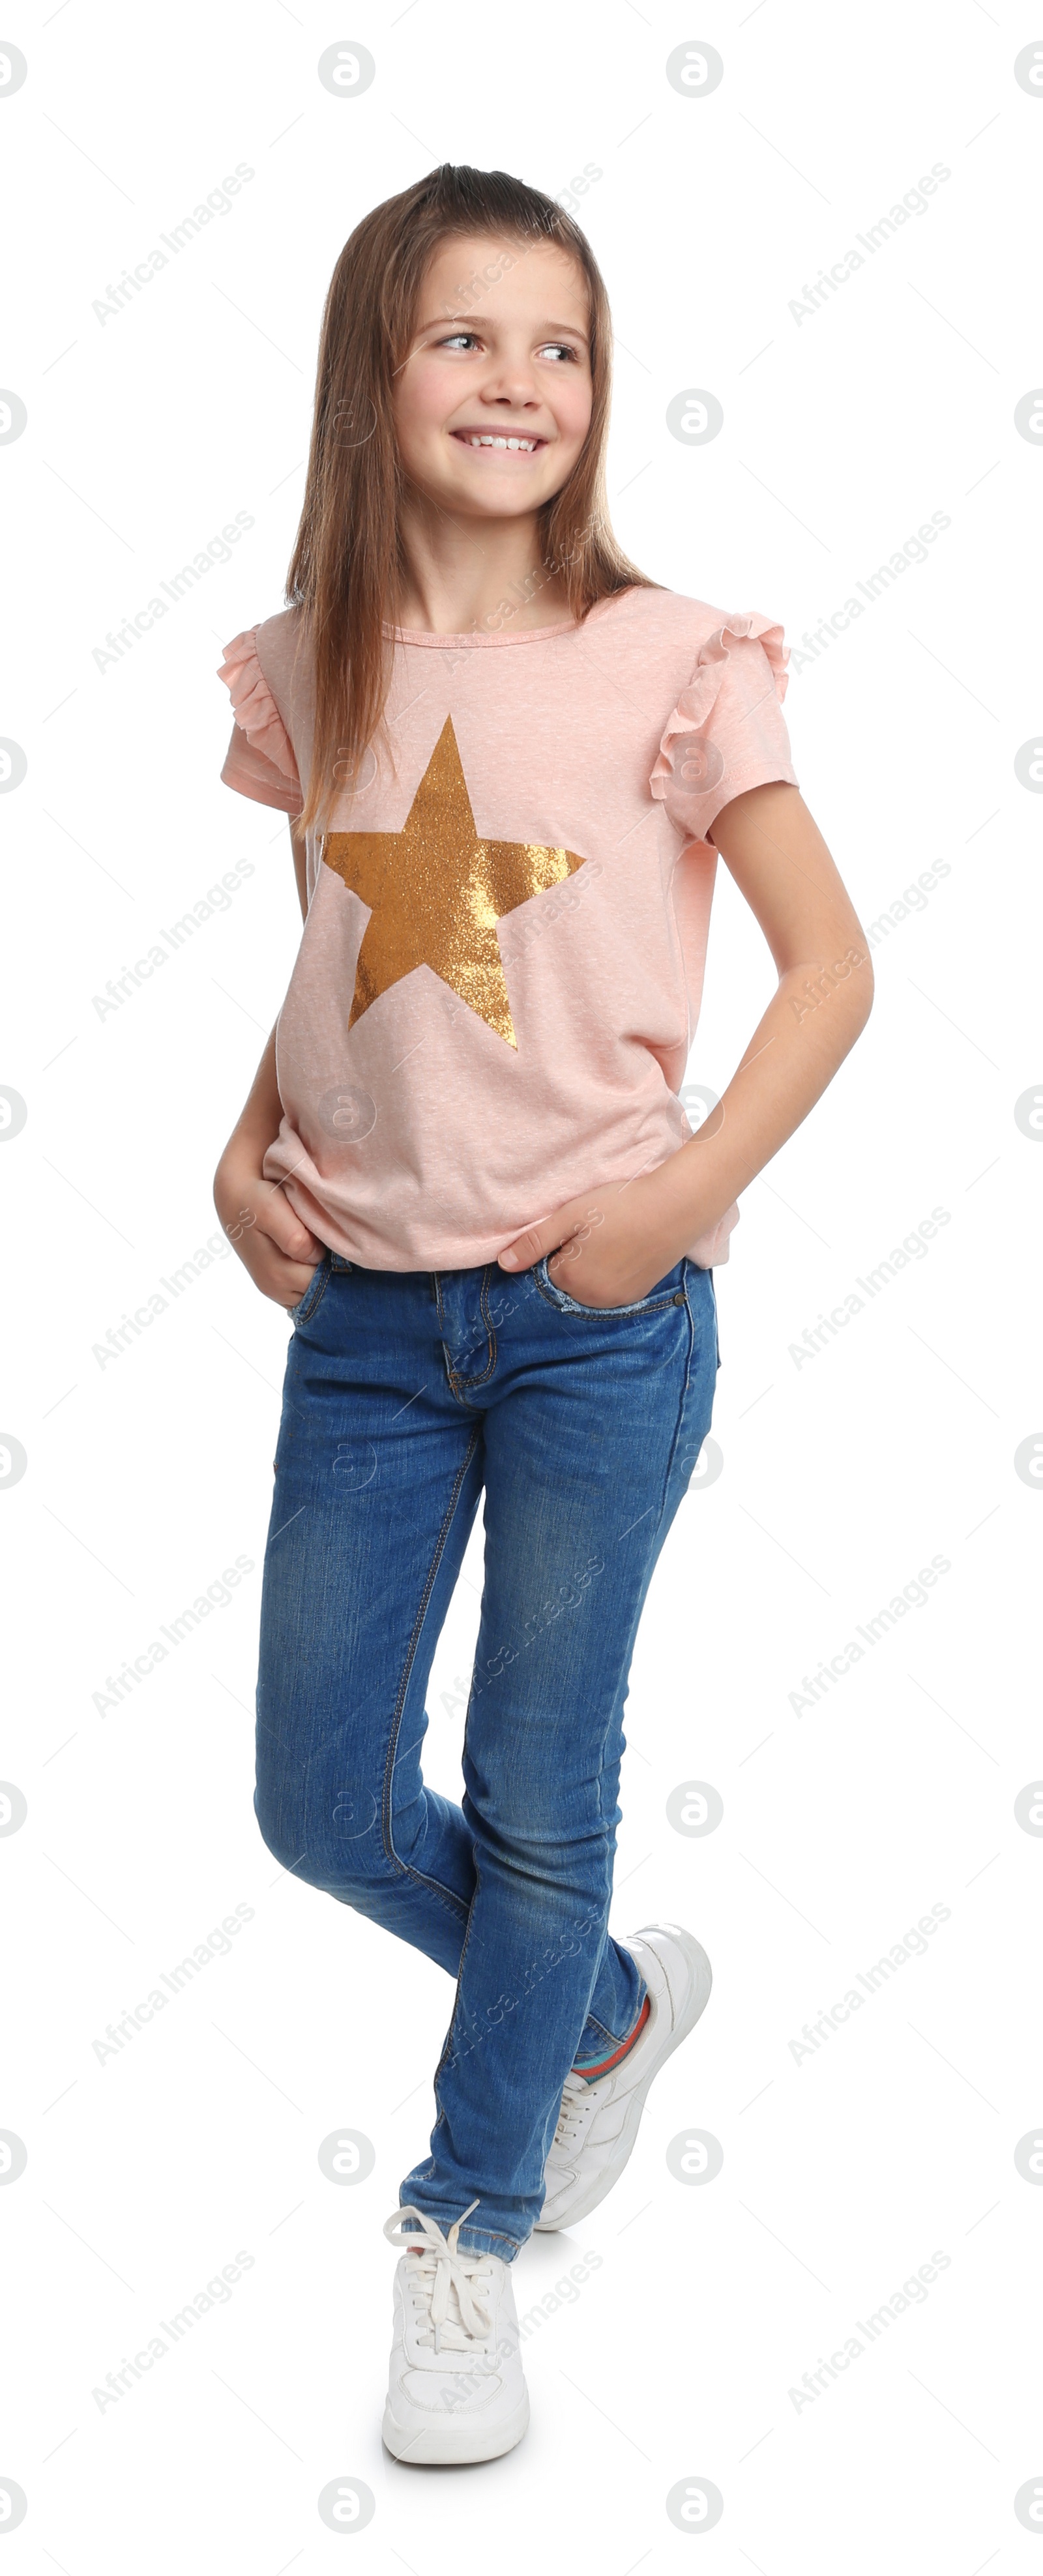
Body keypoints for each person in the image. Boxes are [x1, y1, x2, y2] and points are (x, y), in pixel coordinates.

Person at [213, 162, 872, 2467]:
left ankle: (469, 2221)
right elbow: (345, 942)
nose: (517, 383)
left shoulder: (681, 658)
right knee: (316, 1794)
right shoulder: (310, 661)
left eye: (559, 345)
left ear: (600, 390)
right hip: (370, 1330)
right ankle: (592, 2005)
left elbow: (832, 968)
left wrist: (677, 1201)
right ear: (373, 376)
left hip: (601, 1319)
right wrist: (240, 1139)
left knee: (533, 1775)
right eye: (465, 338)